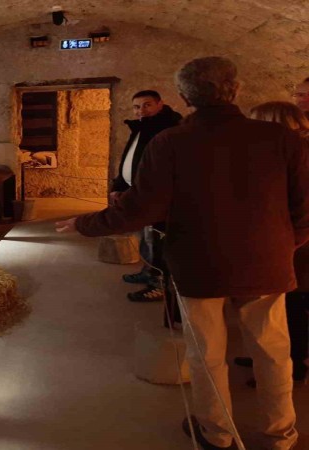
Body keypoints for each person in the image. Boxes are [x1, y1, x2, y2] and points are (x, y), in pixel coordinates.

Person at [56, 57, 309, 450]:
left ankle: (217, 434)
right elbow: (304, 210)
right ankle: (281, 435)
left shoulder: (172, 142)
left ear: (183, 96)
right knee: (273, 352)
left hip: (199, 264)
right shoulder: (281, 139)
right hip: (267, 264)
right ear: (236, 89)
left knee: (207, 354)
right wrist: (281, 247)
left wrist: (86, 223)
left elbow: (140, 208)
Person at [234, 101, 309, 387]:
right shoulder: (285, 151)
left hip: (295, 244)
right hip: (286, 240)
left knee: (290, 308)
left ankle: (290, 365)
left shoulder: (298, 154)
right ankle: (265, 359)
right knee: (280, 307)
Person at [111, 90, 182, 303]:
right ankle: (148, 271)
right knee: (147, 237)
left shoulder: (169, 128)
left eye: (147, 105)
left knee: (158, 240)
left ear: (160, 104)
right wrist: (119, 186)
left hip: (157, 196)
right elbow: (131, 159)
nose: (141, 110)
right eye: (136, 106)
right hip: (139, 193)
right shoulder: (143, 126)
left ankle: (159, 285)